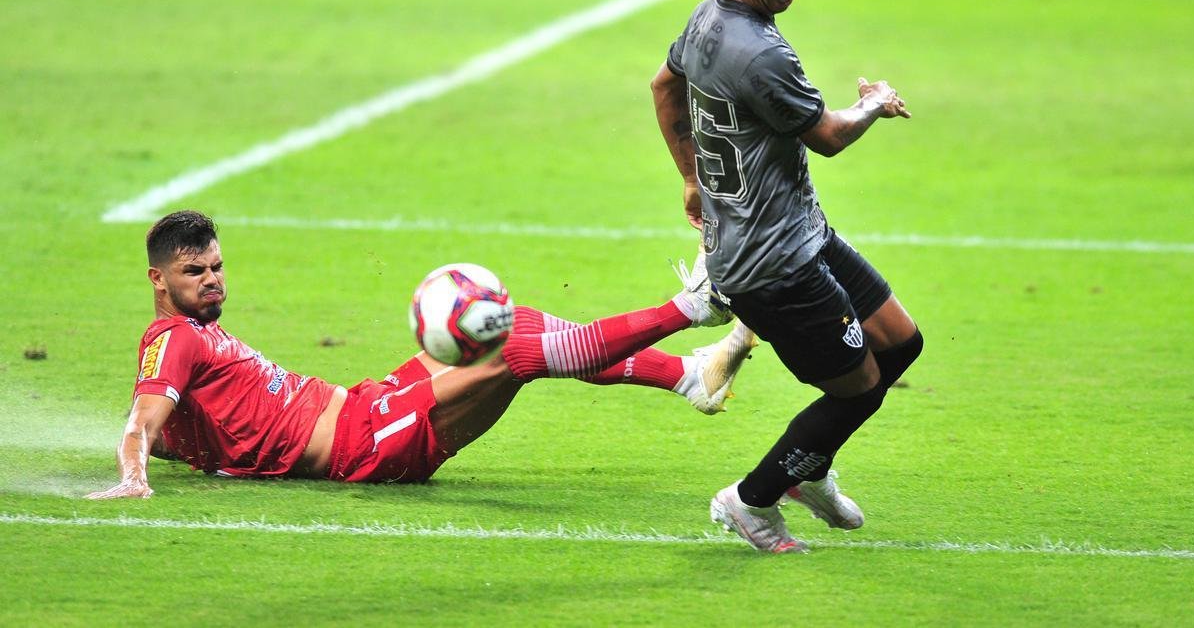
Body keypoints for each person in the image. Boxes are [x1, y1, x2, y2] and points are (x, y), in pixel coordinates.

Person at [87, 210, 753, 499]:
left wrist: (190, 446)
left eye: (217, 267)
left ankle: (691, 376)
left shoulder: (197, 335)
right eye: (195, 272)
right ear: (159, 280)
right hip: (365, 445)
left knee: (514, 321)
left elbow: (183, 425)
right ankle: (694, 307)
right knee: (515, 352)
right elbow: (144, 419)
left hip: (365, 403)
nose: (213, 280)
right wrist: (135, 471)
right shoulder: (172, 340)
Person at [650, 0, 924, 553]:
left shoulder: (708, 16)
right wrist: (873, 104)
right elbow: (827, 136)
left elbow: (665, 86)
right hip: (773, 268)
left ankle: (813, 466)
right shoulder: (758, 52)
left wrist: (690, 176)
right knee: (857, 390)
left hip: (800, 232)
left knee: (901, 345)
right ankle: (753, 499)